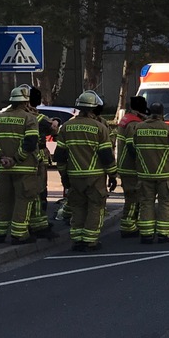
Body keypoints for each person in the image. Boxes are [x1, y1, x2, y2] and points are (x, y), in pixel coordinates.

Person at [54, 90, 116, 252]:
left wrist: (63, 175)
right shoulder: (99, 128)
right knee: (95, 207)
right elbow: (106, 156)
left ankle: (77, 240)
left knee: (78, 207)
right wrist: (113, 175)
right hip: (95, 176)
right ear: (93, 109)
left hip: (74, 176)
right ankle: (90, 241)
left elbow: (60, 156)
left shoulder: (66, 127)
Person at [0, 84, 43, 245]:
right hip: (24, 169)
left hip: (4, 169)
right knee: (23, 200)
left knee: (4, 200)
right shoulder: (29, 118)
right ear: (25, 103)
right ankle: (19, 235)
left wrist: (1, 157)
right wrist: (16, 159)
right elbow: (30, 143)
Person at [123, 102, 169, 244]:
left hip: (144, 174)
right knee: (166, 203)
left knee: (146, 203)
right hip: (165, 174)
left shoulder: (138, 128)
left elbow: (133, 148)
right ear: (162, 114)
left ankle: (146, 234)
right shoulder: (168, 128)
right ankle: (164, 234)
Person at [27, 86, 59, 239]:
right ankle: (39, 225)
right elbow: (54, 129)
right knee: (39, 193)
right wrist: (55, 122)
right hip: (36, 159)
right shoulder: (39, 118)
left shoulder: (8, 116)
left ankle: (24, 223)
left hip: (16, 160)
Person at [114, 96, 148, 238]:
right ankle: (128, 226)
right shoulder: (134, 123)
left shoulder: (126, 119)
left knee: (132, 196)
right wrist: (141, 161)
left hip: (124, 165)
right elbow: (132, 145)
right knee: (133, 197)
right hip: (131, 167)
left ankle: (130, 224)